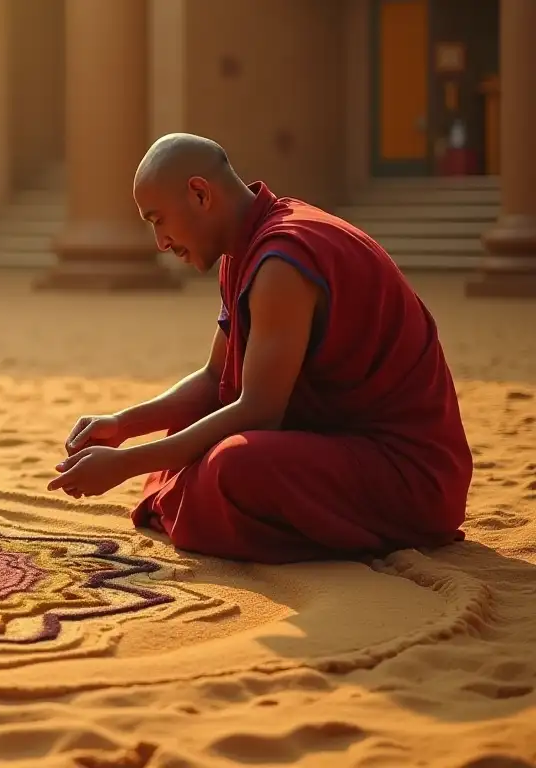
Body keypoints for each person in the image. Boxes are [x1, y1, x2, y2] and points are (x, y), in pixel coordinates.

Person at [47, 133, 473, 564]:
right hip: (339, 444)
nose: (160, 242)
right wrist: (123, 425)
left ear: (199, 194)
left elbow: (260, 410)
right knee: (184, 437)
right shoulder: (245, 249)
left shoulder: (283, 259)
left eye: (158, 220)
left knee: (232, 467)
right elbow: (216, 378)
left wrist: (124, 465)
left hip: (408, 476)